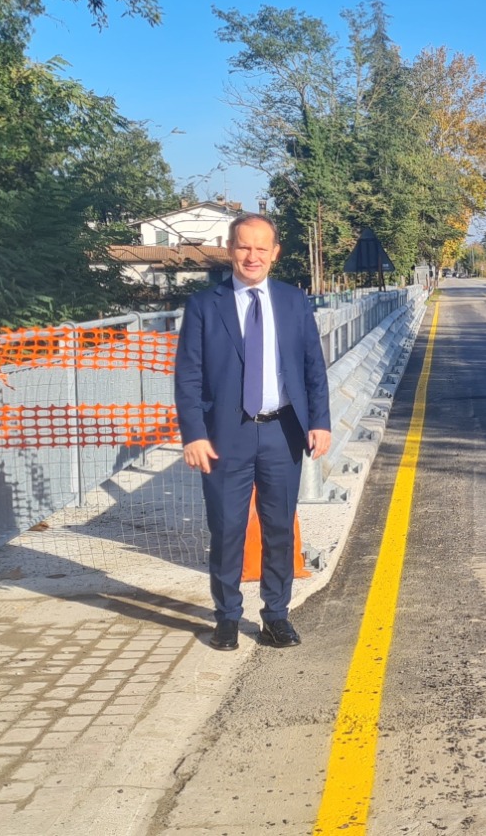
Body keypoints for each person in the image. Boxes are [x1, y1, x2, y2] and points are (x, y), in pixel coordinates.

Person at [175, 213, 332, 651]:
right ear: (230, 249)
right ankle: (226, 617)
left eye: (262, 248)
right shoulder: (205, 306)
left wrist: (319, 422)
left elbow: (312, 368)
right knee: (226, 529)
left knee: (279, 527)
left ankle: (276, 616)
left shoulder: (293, 301)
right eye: (244, 247)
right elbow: (187, 375)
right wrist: (193, 434)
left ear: (275, 253)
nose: (252, 256)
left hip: (283, 431)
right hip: (227, 434)